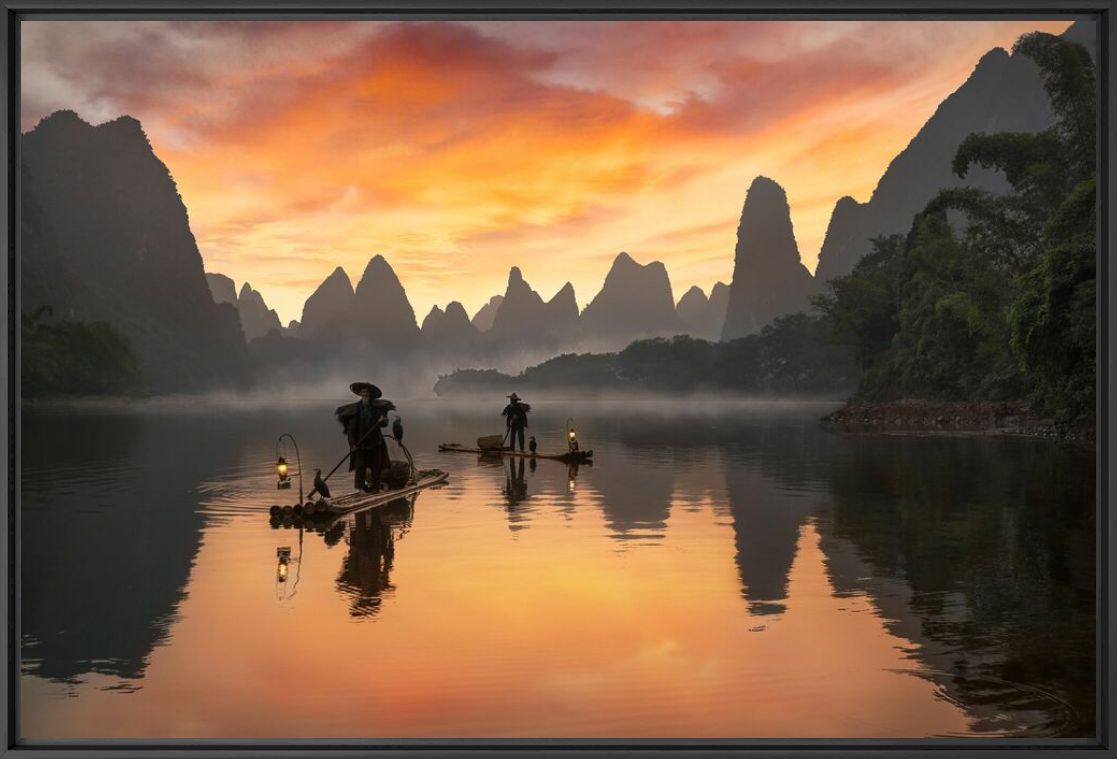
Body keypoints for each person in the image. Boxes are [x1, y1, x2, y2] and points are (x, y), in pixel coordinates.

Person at [346, 381, 389, 492]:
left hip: (375, 442)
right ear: (360, 394)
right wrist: (352, 444)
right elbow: (350, 430)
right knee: (360, 467)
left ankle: (375, 488)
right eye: (363, 392)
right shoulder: (356, 409)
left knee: (376, 466)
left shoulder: (376, 408)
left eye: (366, 392)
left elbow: (385, 423)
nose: (364, 394)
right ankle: (360, 489)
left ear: (370, 394)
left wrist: (383, 420)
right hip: (361, 443)